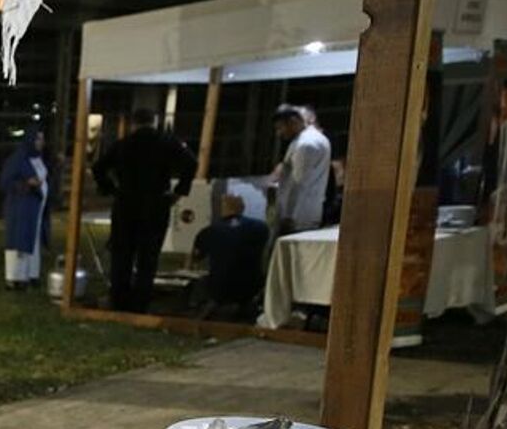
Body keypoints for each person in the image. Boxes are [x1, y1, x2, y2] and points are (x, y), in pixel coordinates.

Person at [92, 109, 197, 312]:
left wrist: (110, 189)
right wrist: (179, 191)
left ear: (133, 123)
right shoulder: (166, 142)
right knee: (148, 257)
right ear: (154, 121)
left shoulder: (124, 144)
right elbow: (191, 163)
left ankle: (120, 299)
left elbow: (99, 167)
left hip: (126, 204)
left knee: (122, 254)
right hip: (155, 203)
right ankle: (141, 302)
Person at [191, 192, 270, 320]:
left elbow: (196, 259)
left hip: (220, 286)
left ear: (223, 208)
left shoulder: (209, 231)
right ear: (243, 207)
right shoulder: (261, 228)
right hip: (252, 285)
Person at [0, 128, 53, 290]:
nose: (41, 143)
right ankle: (15, 278)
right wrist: (26, 184)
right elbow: (5, 183)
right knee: (19, 244)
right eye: (38, 139)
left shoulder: (38, 159)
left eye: (42, 139)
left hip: (36, 210)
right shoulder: (17, 159)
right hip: (21, 210)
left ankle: (31, 275)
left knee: (33, 243)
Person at [268, 103, 331, 235]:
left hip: (298, 218)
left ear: (293, 121)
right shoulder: (311, 138)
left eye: (280, 128)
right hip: (305, 214)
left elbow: (298, 185)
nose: (279, 133)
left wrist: (288, 217)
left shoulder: (305, 144)